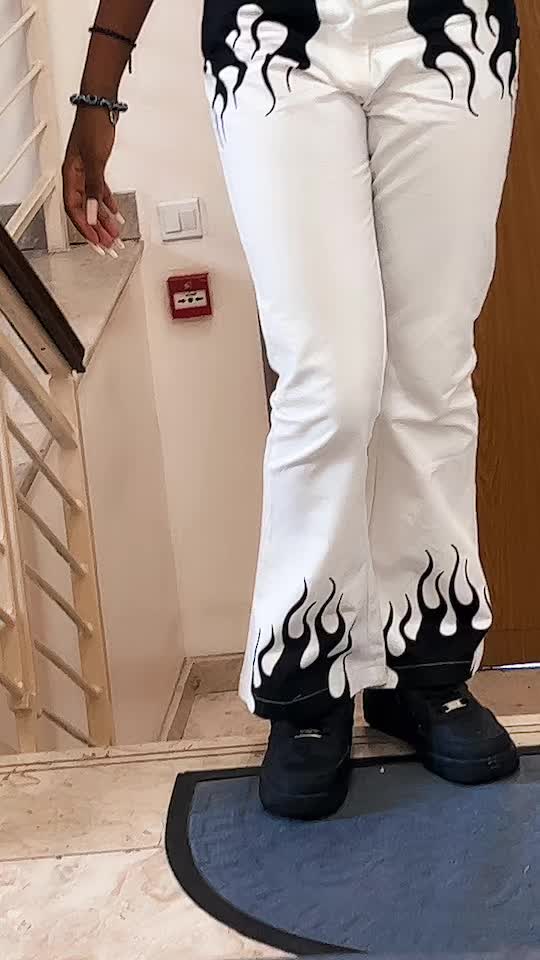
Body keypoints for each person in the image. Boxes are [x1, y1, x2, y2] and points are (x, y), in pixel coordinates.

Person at [64, 0, 520, 821]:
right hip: (272, 34)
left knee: (432, 377)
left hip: (452, 27)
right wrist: (99, 94)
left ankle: (425, 670)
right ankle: (307, 681)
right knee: (328, 386)